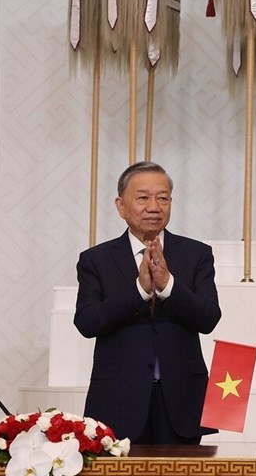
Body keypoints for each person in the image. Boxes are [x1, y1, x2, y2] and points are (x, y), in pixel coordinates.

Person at [74, 161, 221, 444]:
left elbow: (209, 318)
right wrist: (139, 291)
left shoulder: (196, 255)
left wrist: (169, 286)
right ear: (121, 206)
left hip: (181, 401)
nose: (154, 206)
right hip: (118, 400)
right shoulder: (96, 260)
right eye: (143, 198)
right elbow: (87, 322)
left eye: (163, 198)